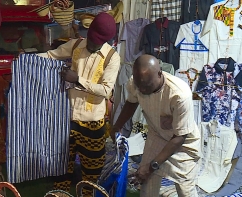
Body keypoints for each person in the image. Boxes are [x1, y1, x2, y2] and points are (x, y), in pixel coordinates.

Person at [38, 13, 120, 196]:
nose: (91, 43)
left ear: (105, 41)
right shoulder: (76, 45)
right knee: (60, 168)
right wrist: (26, 59)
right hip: (66, 119)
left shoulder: (112, 57)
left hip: (93, 122)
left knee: (91, 173)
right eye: (91, 38)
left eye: (96, 42)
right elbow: (51, 55)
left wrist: (78, 80)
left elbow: (107, 91)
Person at [112, 54, 201, 197]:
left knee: (185, 190)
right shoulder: (137, 83)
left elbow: (180, 136)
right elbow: (131, 102)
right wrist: (117, 126)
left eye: (146, 86)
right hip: (157, 136)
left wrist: (153, 165)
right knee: (147, 185)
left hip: (183, 145)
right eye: (139, 86)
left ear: (160, 74)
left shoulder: (179, 94)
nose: (143, 90)